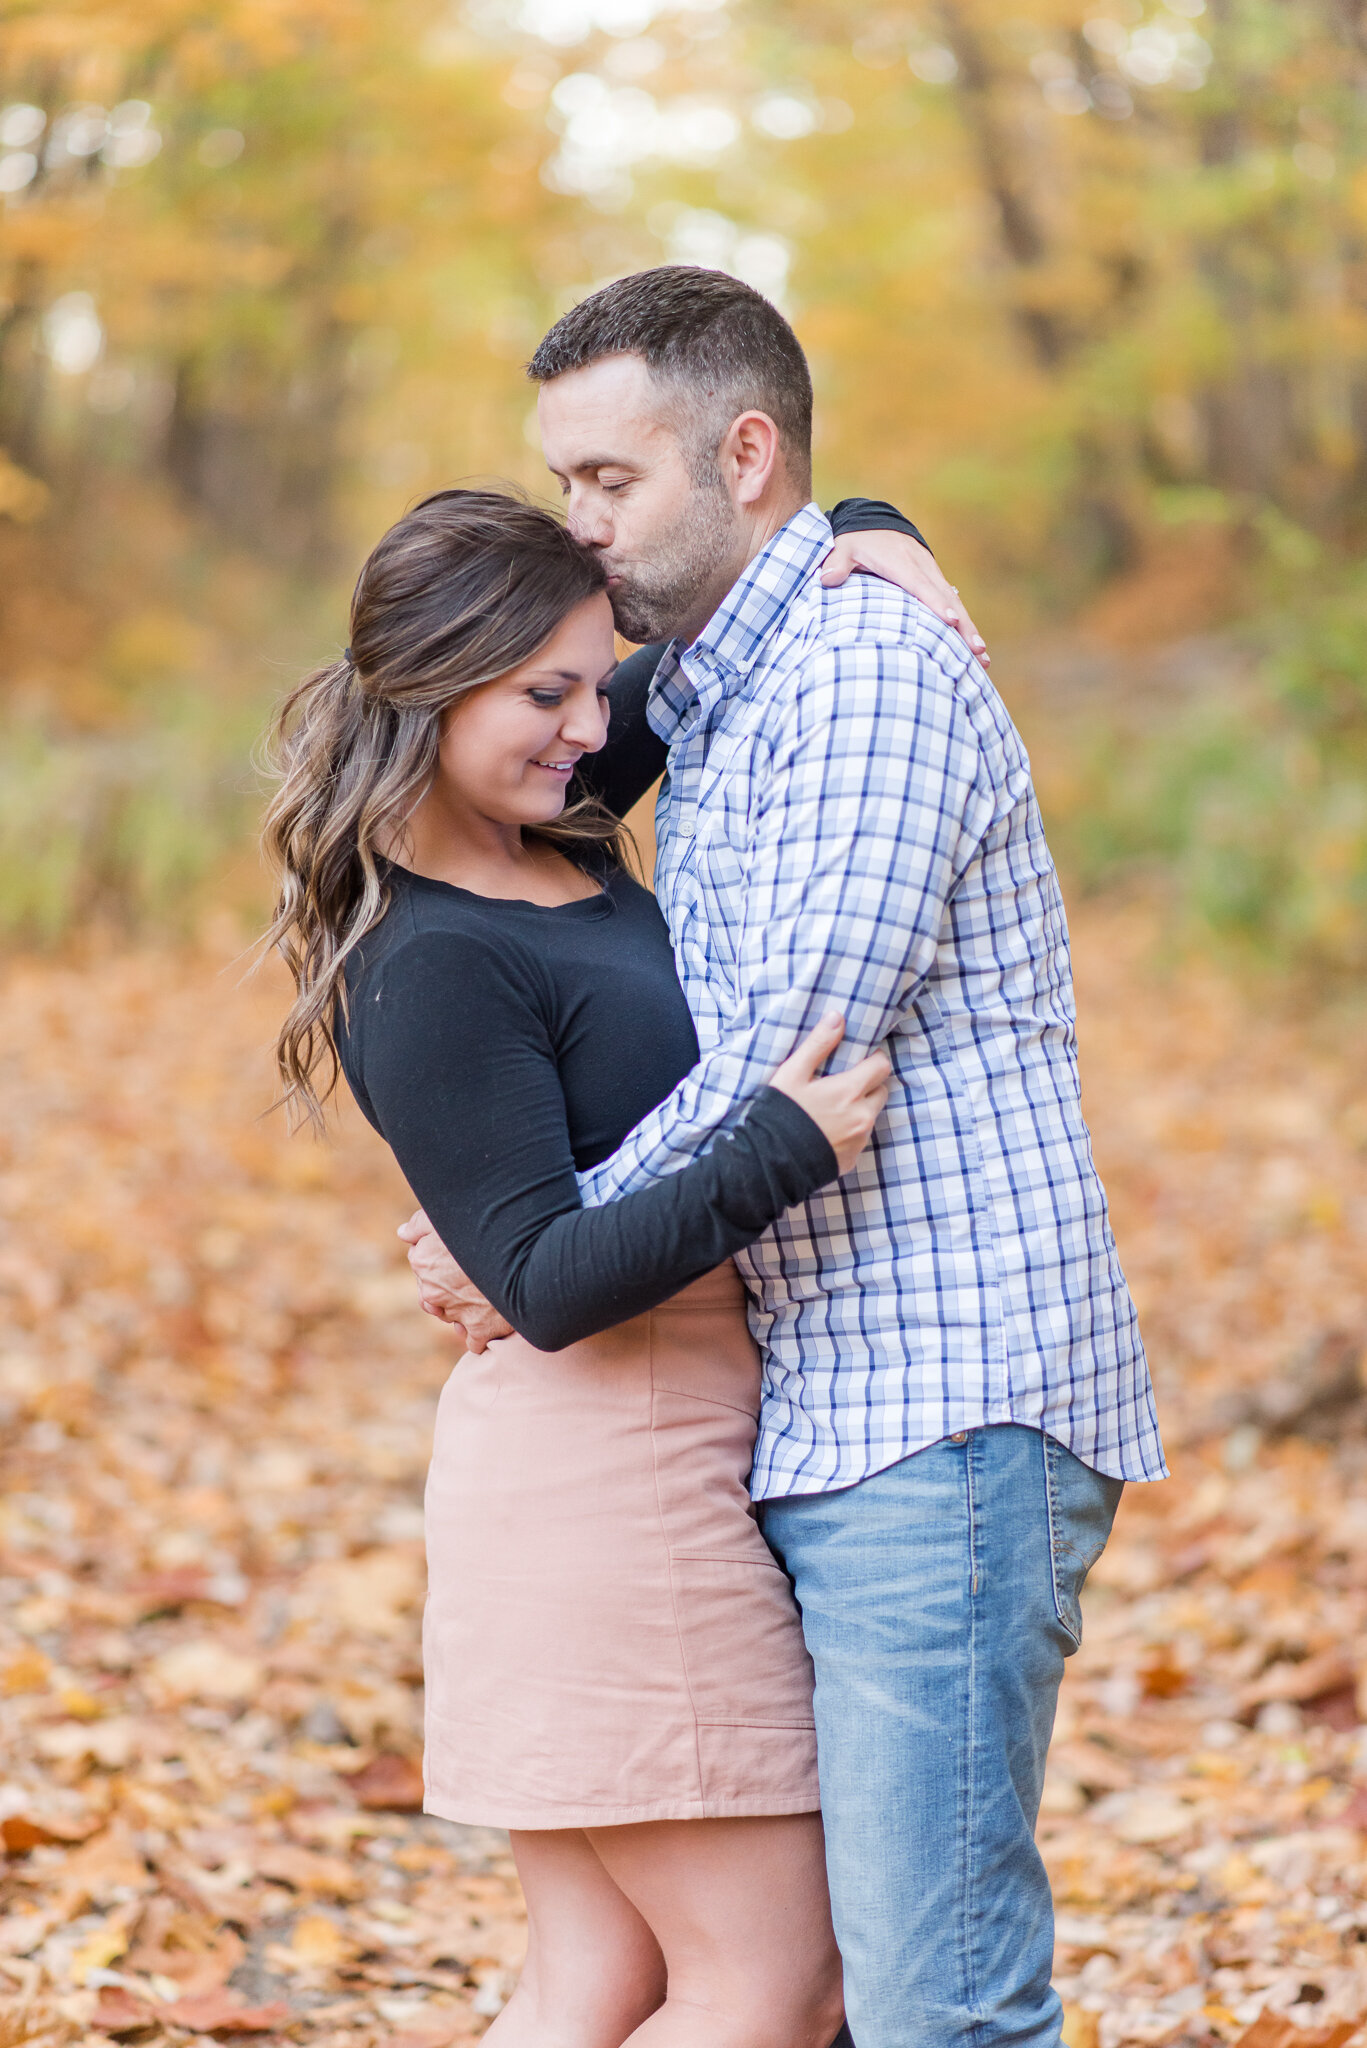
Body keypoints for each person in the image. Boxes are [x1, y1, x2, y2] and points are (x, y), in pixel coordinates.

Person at [404, 265, 1167, 2048]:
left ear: (745, 456)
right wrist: (511, 1223)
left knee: (934, 2006)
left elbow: (784, 1060)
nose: (577, 527)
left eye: (610, 483)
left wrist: (528, 1241)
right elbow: (474, 778)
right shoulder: (702, 692)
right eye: (566, 482)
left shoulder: (863, 676)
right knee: (811, 1988)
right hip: (813, 1400)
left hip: (941, 1401)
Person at [261, 485, 957, 2047]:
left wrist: (869, 521)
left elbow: (732, 639)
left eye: (595, 682)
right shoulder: (432, 954)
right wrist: (782, 1138)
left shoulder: (548, 820)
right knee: (775, 1990)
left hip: (636, 1460)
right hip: (613, 1483)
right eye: (546, 693)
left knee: (603, 1984)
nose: (590, 723)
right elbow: (549, 1285)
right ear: (430, 686)